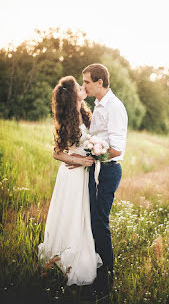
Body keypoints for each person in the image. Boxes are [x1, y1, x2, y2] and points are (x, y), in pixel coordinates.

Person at [67, 64, 128, 298]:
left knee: (100, 223)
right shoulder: (98, 104)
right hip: (95, 169)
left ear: (100, 82)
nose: (84, 86)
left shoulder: (115, 107)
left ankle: (106, 281)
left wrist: (88, 157)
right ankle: (93, 271)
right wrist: (83, 158)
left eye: (87, 82)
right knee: (91, 222)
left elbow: (116, 149)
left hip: (109, 170)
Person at [38, 75, 102, 287]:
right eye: (78, 86)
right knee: (72, 214)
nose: (83, 87)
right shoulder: (67, 118)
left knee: (81, 215)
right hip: (72, 175)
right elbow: (57, 153)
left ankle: (68, 253)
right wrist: (80, 160)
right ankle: (64, 255)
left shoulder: (84, 112)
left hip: (84, 173)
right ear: (72, 95)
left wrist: (93, 154)